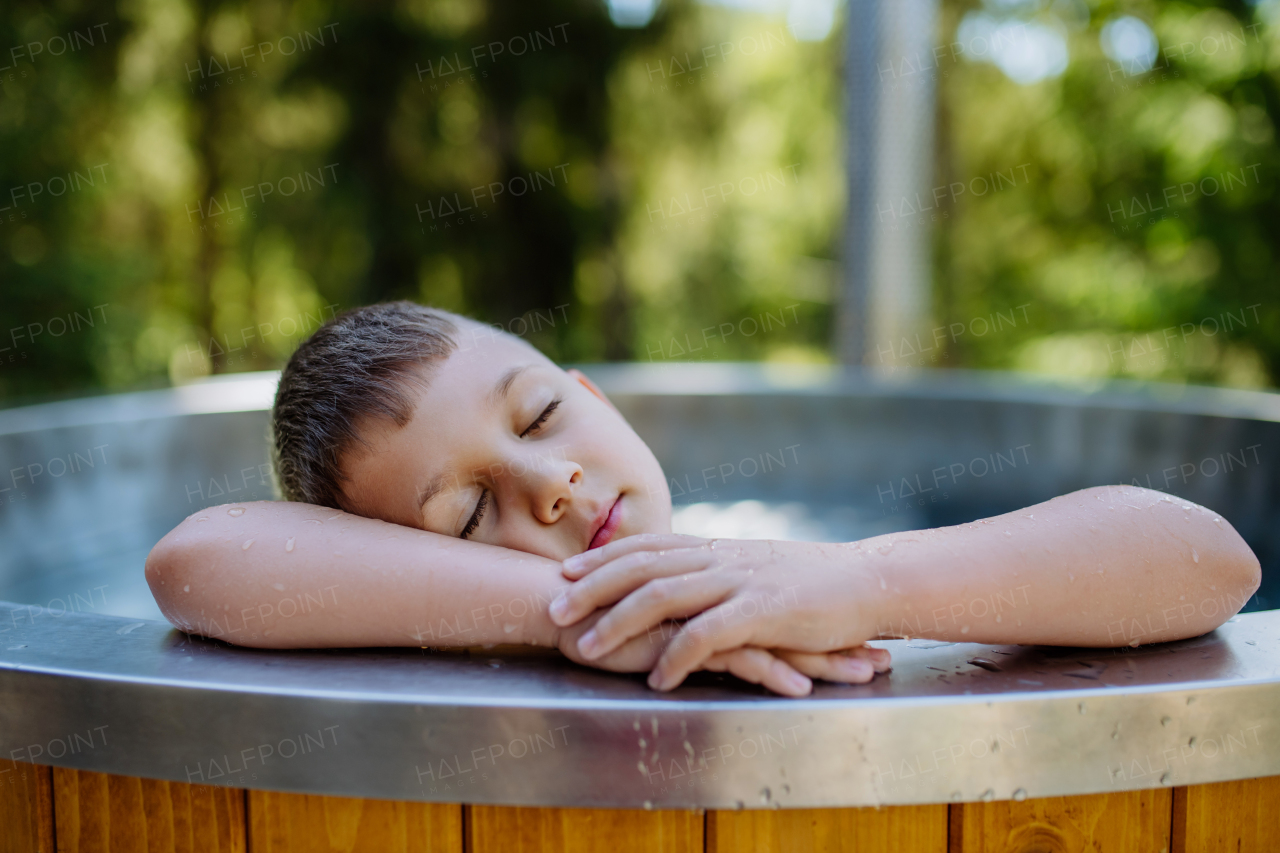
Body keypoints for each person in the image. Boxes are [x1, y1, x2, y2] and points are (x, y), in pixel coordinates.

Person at [145, 302, 1262, 697]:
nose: (550, 484)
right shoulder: (464, 629)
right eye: (465, 516)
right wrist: (590, 614)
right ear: (406, 566)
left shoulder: (782, 557)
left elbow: (1205, 556)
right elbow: (198, 557)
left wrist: (859, 583)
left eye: (538, 417)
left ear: (590, 395)